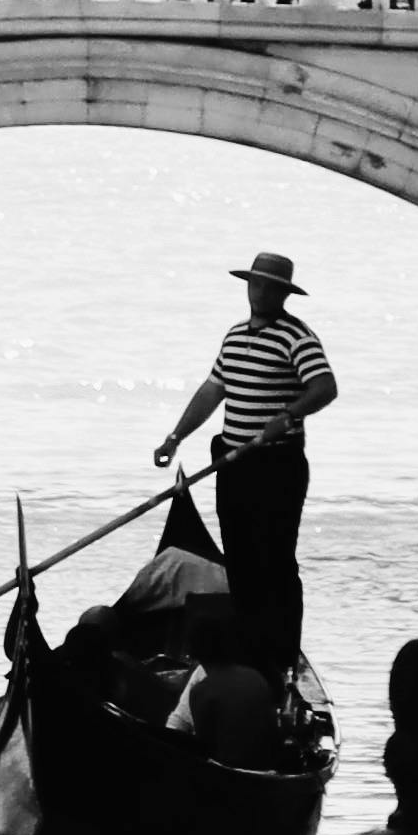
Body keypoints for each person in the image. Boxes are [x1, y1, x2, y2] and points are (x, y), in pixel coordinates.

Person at [155, 244, 336, 669]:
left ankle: (281, 656)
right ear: (249, 286)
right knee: (240, 561)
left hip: (276, 465)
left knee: (273, 561)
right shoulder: (235, 335)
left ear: (283, 294)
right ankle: (251, 645)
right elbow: (213, 390)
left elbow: (325, 387)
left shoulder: (298, 337)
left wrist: (289, 414)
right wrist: (175, 437)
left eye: (271, 287)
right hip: (233, 462)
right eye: (257, 283)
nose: (262, 292)